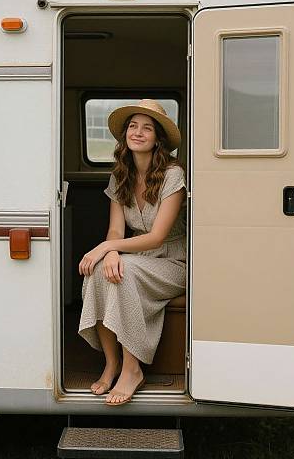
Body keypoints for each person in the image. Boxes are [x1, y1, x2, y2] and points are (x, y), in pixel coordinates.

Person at [78, 98, 186, 406]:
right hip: (135, 255)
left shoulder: (173, 175)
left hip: (172, 260)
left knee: (122, 273)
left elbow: (156, 237)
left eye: (147, 128)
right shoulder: (120, 176)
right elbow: (115, 231)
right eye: (133, 126)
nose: (138, 133)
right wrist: (110, 252)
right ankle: (111, 363)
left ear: (157, 139)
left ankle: (132, 368)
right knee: (100, 270)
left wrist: (110, 249)